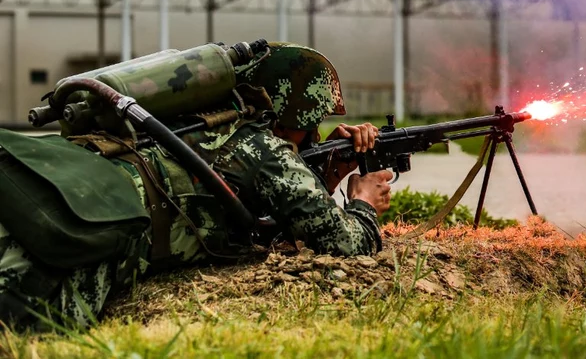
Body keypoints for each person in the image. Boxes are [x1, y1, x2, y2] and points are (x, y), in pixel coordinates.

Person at [0, 42, 391, 330]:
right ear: (298, 112)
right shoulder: (263, 148)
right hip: (81, 242)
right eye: (314, 120)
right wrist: (363, 201)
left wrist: (328, 174)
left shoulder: (192, 122)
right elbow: (343, 244)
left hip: (49, 191)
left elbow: (264, 214)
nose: (315, 133)